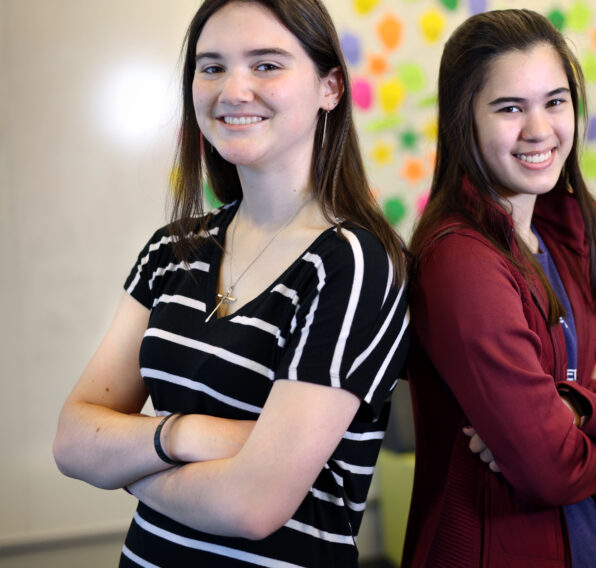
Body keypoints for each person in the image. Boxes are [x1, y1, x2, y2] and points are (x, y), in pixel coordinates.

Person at [52, 1, 409, 566]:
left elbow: (253, 505)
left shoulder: (353, 264)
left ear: (331, 87)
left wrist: (127, 465)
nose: (234, 90)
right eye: (212, 66)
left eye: (267, 65)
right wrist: (185, 435)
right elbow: (73, 441)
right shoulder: (172, 250)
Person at [403, 8, 596, 567]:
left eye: (555, 102)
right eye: (510, 108)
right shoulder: (462, 262)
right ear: (465, 121)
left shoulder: (567, 234)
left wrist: (573, 411)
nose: (539, 129)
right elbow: (550, 469)